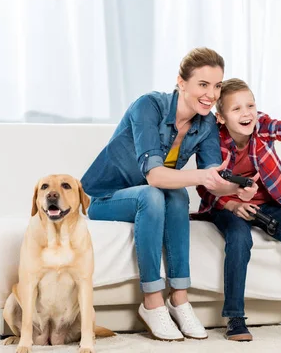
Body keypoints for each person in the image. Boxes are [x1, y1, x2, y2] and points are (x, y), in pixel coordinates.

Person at [81, 47, 238, 342]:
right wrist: (205, 177)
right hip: (104, 197)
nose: (211, 95)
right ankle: (151, 301)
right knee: (152, 195)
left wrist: (237, 187)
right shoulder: (148, 106)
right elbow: (154, 176)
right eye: (203, 85)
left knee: (178, 196)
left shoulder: (205, 124)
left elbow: (213, 175)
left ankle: (179, 298)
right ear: (181, 82)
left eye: (217, 86)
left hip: (150, 194)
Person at [196, 78, 281, 341]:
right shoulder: (212, 140)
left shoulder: (260, 125)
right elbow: (206, 185)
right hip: (228, 206)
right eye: (236, 109)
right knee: (239, 239)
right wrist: (235, 203)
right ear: (221, 117)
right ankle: (235, 318)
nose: (246, 112)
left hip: (269, 204)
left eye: (250, 105)